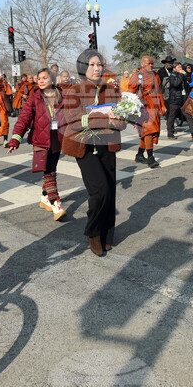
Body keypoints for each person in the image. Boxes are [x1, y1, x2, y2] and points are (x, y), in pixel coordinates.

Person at [59, 49, 126, 255]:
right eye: (92, 65)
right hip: (85, 148)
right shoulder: (74, 91)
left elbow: (122, 122)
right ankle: (93, 233)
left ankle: (107, 234)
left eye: (99, 65)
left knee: (110, 192)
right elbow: (74, 120)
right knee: (100, 191)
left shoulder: (111, 90)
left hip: (108, 145)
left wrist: (119, 120)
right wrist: (104, 119)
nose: (97, 68)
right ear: (83, 67)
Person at [7, 68, 67, 221]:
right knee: (49, 171)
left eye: (44, 78)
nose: (40, 81)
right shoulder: (34, 98)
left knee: (51, 169)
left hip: (57, 140)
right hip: (41, 141)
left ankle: (44, 198)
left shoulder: (63, 96)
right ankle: (56, 205)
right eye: (39, 78)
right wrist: (15, 139)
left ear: (52, 80)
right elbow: (23, 120)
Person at [127, 55, 165, 168]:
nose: (151, 65)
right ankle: (150, 157)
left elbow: (159, 91)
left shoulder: (156, 75)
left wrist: (162, 105)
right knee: (149, 131)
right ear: (143, 64)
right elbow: (130, 92)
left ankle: (139, 154)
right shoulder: (137, 75)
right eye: (149, 63)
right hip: (143, 108)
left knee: (147, 132)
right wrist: (131, 108)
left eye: (152, 63)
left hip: (154, 106)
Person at [163, 61, 193, 140]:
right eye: (179, 68)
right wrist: (181, 74)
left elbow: (186, 86)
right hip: (175, 99)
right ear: (174, 68)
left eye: (181, 67)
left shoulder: (182, 76)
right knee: (172, 116)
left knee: (188, 115)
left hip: (184, 99)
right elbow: (176, 84)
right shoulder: (172, 76)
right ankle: (170, 132)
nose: (181, 69)